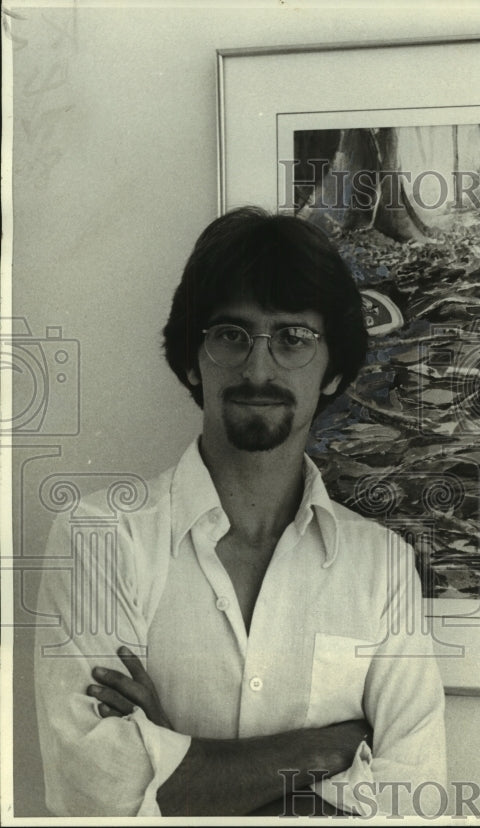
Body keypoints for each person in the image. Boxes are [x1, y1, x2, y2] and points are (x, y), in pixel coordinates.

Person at [33, 207, 446, 817]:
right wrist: (325, 750)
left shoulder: (381, 566)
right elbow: (92, 796)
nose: (258, 367)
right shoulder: (98, 538)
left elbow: (417, 803)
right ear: (193, 356)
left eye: (293, 338)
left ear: (332, 369)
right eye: (230, 334)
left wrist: (177, 755)